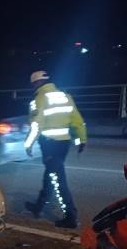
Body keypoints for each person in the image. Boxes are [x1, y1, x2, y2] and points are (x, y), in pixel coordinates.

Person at [23, 71, 87, 228]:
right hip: (64, 143)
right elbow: (77, 120)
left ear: (36, 83)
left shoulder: (39, 98)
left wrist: (28, 144)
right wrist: (81, 140)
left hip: (49, 145)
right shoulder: (65, 96)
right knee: (50, 175)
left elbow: (36, 125)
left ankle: (71, 217)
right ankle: (38, 206)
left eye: (33, 85)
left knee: (58, 180)